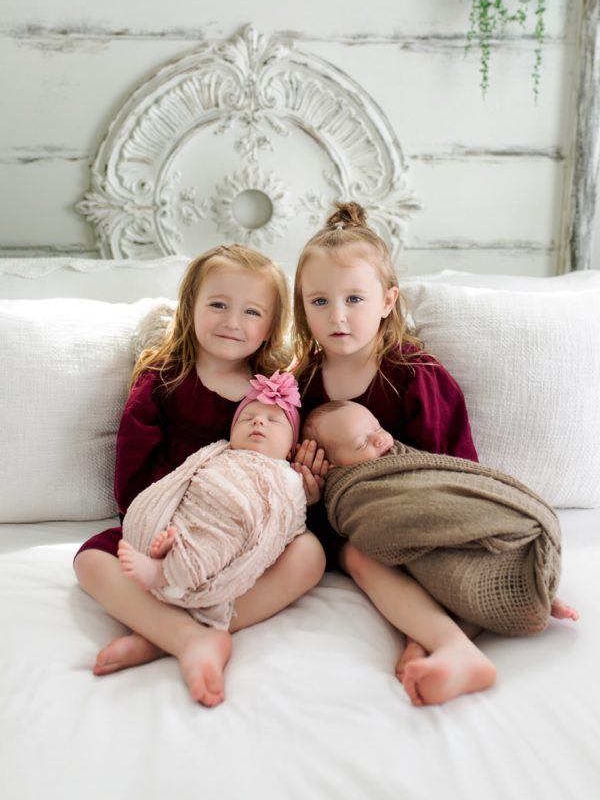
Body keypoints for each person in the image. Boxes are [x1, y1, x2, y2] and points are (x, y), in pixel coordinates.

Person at [290, 201, 572, 705]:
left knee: (445, 556)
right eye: (319, 301)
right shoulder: (301, 387)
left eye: (354, 298)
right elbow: (304, 486)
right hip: (358, 528)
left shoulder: (414, 374)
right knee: (360, 556)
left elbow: (452, 471)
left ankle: (450, 634)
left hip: (426, 515)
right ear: (302, 307)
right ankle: (448, 642)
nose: (337, 316)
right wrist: (308, 492)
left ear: (387, 301)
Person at [74, 245, 326, 707]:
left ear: (272, 325)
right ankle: (187, 637)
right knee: (92, 558)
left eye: (252, 312)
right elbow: (133, 476)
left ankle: (173, 633)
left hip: (245, 538)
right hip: (169, 531)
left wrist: (306, 490)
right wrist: (169, 532)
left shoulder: (276, 393)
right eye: (218, 304)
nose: (233, 322)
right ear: (190, 306)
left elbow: (282, 476)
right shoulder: (163, 380)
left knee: (310, 554)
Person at [301, 400, 579, 704]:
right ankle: (474, 628)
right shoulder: (354, 490)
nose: (379, 439)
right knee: (421, 557)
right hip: (419, 536)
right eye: (361, 443)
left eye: (377, 428)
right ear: (332, 466)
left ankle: (442, 639)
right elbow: (383, 524)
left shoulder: (410, 446)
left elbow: (448, 482)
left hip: (494, 522)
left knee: (452, 542)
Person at [118, 371, 307, 632]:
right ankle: (169, 548)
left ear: (291, 448)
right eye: (248, 418)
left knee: (213, 548)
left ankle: (163, 572)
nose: (258, 422)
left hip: (234, 525)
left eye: (273, 420)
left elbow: (291, 518)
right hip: (201, 505)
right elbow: (185, 476)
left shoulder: (288, 478)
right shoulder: (218, 452)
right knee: (183, 525)